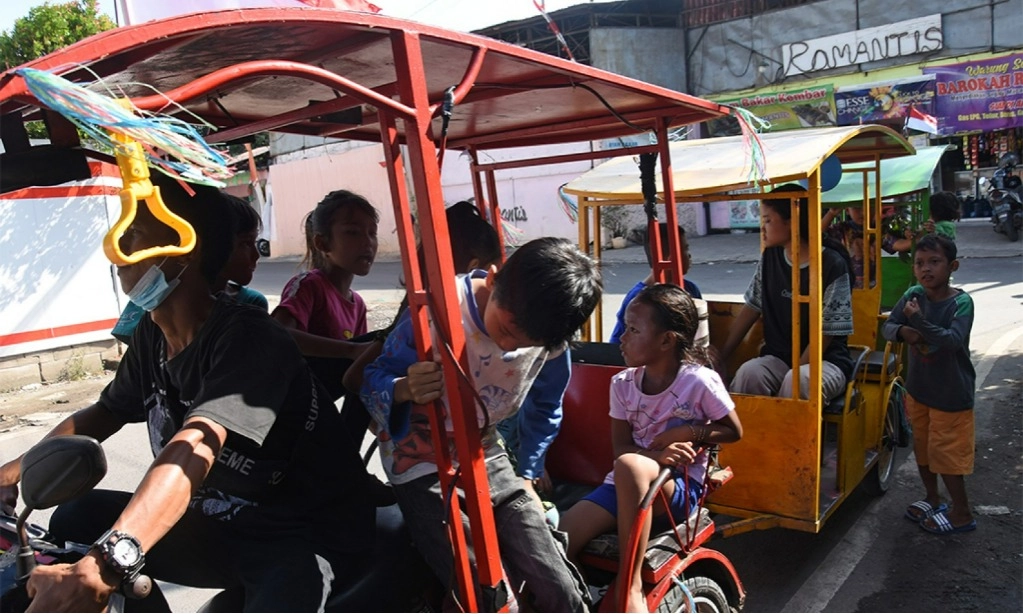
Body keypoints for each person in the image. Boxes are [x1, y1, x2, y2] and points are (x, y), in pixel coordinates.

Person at [0, 175, 374, 611]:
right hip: (224, 527)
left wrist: (106, 564)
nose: (117, 248)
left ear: (185, 247)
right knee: (76, 519)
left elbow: (197, 441)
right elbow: (106, 411)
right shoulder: (152, 333)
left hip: (301, 533)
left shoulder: (250, 337)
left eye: (135, 233)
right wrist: (15, 470)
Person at [360, 237, 601, 612]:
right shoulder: (439, 313)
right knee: (483, 590)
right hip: (421, 463)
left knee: (558, 584)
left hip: (484, 452)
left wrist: (529, 470)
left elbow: (546, 403)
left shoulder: (550, 338)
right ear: (492, 278)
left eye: (521, 344)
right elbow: (371, 379)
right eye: (505, 331)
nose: (507, 348)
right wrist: (404, 388)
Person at [559, 284, 742, 612]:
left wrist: (689, 431)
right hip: (626, 484)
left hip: (675, 488)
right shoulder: (622, 384)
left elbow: (733, 431)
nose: (622, 338)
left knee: (630, 466)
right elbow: (621, 447)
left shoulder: (699, 382)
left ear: (666, 340)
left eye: (632, 330)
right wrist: (655, 455)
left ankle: (631, 588)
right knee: (560, 540)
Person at [718, 184, 854, 402]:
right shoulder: (770, 258)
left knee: (797, 380)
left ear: (792, 221)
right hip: (780, 358)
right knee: (748, 373)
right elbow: (753, 306)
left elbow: (826, 333)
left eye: (768, 220)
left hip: (826, 361)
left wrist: (790, 377)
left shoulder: (832, 265)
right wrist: (722, 355)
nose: (763, 228)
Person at [882, 235, 976, 534]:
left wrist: (918, 323)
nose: (926, 269)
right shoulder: (913, 294)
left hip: (951, 394)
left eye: (934, 262)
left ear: (952, 266)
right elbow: (888, 326)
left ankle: (961, 513)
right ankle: (932, 498)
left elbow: (951, 341)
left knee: (947, 457)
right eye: (920, 263)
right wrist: (903, 333)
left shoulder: (961, 302)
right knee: (923, 449)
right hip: (919, 390)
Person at [110, 196, 268, 344]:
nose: (255, 255)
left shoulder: (248, 319)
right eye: (245, 244)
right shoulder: (152, 315)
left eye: (136, 231)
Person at [271, 189, 379, 399]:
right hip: (292, 400)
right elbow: (277, 335)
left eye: (372, 233)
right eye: (353, 232)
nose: (368, 243)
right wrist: (350, 350)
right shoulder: (309, 286)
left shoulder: (357, 303)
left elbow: (357, 370)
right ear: (322, 243)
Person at [610, 222, 701, 344]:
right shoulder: (638, 299)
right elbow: (618, 344)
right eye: (685, 249)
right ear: (670, 259)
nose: (689, 255)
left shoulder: (691, 289)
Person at [823, 205, 908, 289]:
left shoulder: (877, 231)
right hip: (844, 287)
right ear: (847, 210)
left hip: (870, 288)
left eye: (869, 207)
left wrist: (916, 239)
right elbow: (817, 235)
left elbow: (897, 245)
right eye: (857, 207)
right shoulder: (841, 229)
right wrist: (831, 214)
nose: (863, 212)